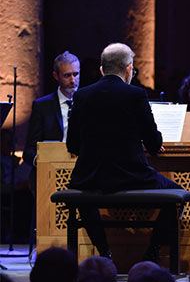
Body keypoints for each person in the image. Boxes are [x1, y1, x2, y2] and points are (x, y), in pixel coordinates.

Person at [66, 43, 183, 262]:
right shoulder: (136, 94)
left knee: (82, 198)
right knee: (177, 195)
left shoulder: (81, 96)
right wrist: (154, 146)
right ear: (129, 69)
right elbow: (154, 142)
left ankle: (104, 252)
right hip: (132, 177)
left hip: (91, 177)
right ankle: (152, 251)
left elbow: (72, 145)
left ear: (102, 69)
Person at [23, 51, 80, 193]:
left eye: (76, 74)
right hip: (49, 176)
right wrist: (42, 162)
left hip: (80, 174)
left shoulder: (88, 102)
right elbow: (28, 151)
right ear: (56, 76)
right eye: (67, 75)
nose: (73, 80)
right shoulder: (42, 106)